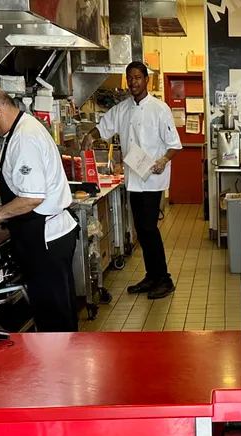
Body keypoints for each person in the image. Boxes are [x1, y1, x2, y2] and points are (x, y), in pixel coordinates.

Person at [0, 84, 80, 332]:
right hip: (42, 236)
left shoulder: (25, 138)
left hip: (47, 238)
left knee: (54, 314)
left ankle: (60, 366)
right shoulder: (15, 133)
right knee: (52, 308)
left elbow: (32, 198)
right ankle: (59, 360)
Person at [83, 61, 182, 299]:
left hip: (152, 178)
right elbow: (104, 126)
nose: (133, 82)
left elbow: (174, 145)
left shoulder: (160, 109)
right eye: (130, 78)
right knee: (141, 229)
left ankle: (164, 279)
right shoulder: (122, 108)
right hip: (133, 178)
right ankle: (151, 276)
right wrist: (90, 135)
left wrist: (163, 161)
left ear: (146, 80)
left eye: (138, 77)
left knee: (149, 228)